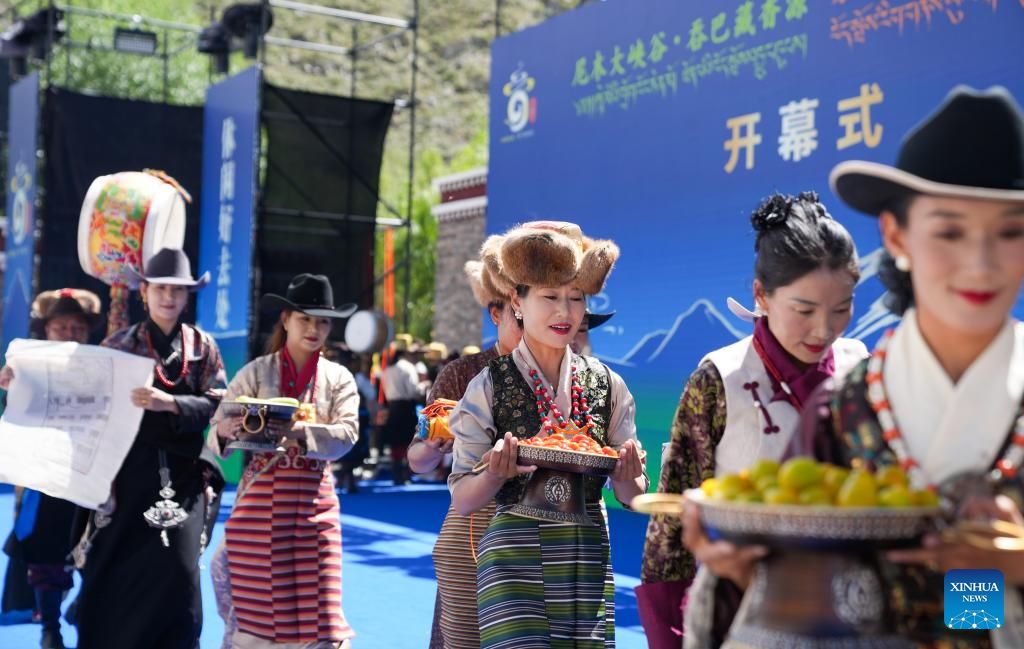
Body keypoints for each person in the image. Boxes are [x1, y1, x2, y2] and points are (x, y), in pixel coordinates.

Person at [686, 86, 1024, 647]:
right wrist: (741, 568)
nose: (981, 264)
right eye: (949, 231)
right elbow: (793, 596)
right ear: (896, 234)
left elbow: (976, 605)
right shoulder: (845, 410)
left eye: (1011, 231)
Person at [640, 192, 869, 648]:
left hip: (853, 610)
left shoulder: (859, 368)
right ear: (761, 295)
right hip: (744, 615)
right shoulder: (721, 378)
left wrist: (973, 620)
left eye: (842, 309)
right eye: (804, 310)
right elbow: (672, 519)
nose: (824, 330)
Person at [449, 221, 648, 648]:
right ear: (516, 302)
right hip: (513, 559)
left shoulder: (608, 383)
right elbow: (463, 499)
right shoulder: (488, 384)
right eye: (550, 297)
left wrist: (629, 474)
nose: (565, 312)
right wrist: (493, 474)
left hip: (586, 558)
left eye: (575, 298)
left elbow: (632, 496)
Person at [73, 248, 226, 649]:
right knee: (112, 567)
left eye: (177, 290)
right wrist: (22, 380)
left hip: (183, 476)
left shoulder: (202, 346)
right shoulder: (119, 343)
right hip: (124, 475)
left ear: (188, 296)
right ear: (144, 292)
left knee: (179, 571)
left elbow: (219, 404)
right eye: (160, 288)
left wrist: (171, 403)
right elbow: (82, 395)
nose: (168, 297)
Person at [208, 273, 359, 648]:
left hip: (314, 506)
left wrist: (298, 432)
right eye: (304, 319)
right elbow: (216, 431)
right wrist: (228, 428)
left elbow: (348, 433)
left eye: (322, 321)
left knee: (323, 616)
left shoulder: (338, 378)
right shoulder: (256, 371)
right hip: (257, 506)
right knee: (252, 613)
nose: (314, 329)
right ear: (286, 319)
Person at [411, 256, 523, 649]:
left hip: (547, 533)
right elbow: (417, 459)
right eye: (518, 316)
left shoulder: (571, 375)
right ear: (496, 314)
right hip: (475, 527)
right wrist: (432, 446)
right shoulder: (463, 373)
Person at [0, 289, 104, 649]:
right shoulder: (27, 369)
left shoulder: (104, 369)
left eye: (78, 327)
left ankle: (86, 611)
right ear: (46, 330)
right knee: (45, 553)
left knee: (100, 549)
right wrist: (10, 385)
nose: (70, 333)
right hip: (46, 477)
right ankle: (50, 628)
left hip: (94, 474)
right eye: (62, 327)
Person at [382, 337, 427, 484]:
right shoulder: (408, 368)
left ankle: (397, 473)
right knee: (407, 441)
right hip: (406, 408)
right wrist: (424, 386)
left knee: (395, 442)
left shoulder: (388, 369)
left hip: (392, 408)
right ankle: (406, 473)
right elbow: (414, 391)